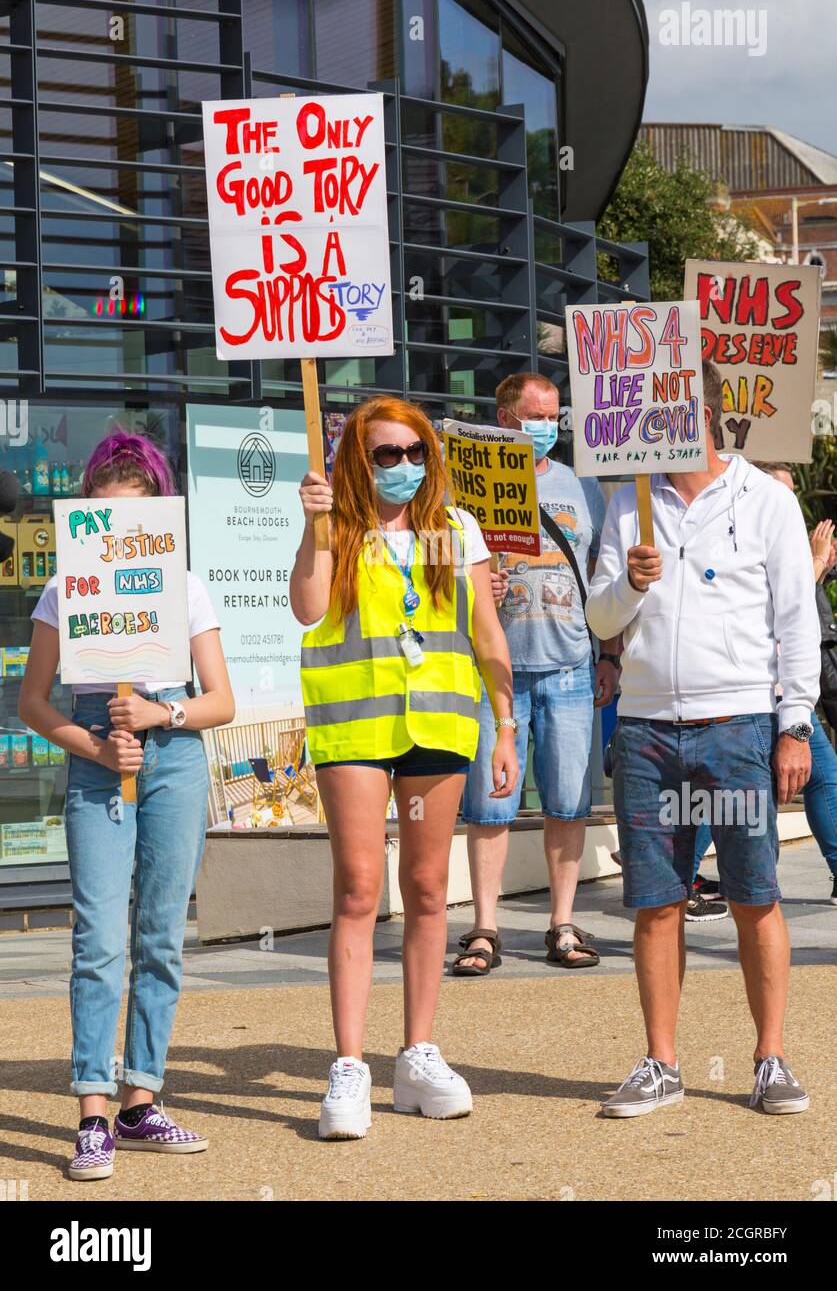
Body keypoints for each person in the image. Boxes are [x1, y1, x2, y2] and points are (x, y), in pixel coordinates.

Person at [586, 362, 820, 1119]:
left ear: (708, 414)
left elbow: (795, 622)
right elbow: (598, 619)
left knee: (754, 895)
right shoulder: (625, 502)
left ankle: (769, 1059)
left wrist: (793, 727)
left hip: (737, 728)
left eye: (672, 408)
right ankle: (660, 1062)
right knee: (657, 902)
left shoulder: (765, 501)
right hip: (648, 730)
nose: (655, 421)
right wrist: (629, 584)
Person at [290, 396, 518, 1140]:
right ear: (359, 460)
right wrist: (312, 526)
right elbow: (306, 607)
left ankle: (417, 1053)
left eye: (416, 452)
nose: (404, 466)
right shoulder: (339, 528)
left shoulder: (452, 530)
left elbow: (486, 635)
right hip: (354, 726)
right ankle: (349, 1064)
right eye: (387, 454)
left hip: (439, 726)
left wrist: (506, 726)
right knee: (359, 888)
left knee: (426, 888)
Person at [19, 432, 235, 1180]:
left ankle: (142, 1100)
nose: (115, 535)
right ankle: (92, 1112)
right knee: (99, 942)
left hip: (173, 762)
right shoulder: (60, 592)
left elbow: (221, 700)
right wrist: (96, 746)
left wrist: (162, 717)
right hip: (96, 766)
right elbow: (31, 702)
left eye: (130, 520)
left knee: (161, 936)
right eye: (102, 518)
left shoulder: (186, 587)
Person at [453, 373, 620, 975]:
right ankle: (484, 928)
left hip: (572, 666)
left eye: (554, 415)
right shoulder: (465, 489)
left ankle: (563, 923)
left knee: (568, 803)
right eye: (534, 416)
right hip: (494, 671)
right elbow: (440, 575)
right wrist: (472, 588)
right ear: (504, 418)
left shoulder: (582, 487)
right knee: (488, 805)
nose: (547, 426)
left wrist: (610, 655)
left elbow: (603, 575)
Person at [754, 464, 837, 905]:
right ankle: (684, 874)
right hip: (764, 690)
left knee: (823, 777)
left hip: (790, 695)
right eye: (779, 489)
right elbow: (786, 602)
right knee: (731, 790)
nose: (789, 500)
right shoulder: (756, 532)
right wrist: (818, 562)